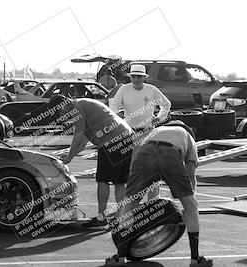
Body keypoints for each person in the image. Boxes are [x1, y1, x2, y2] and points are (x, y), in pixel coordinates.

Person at [105, 120, 213, 267]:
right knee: (191, 205)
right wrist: (188, 207)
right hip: (170, 152)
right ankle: (196, 260)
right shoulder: (188, 137)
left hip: (144, 151)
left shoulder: (156, 132)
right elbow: (191, 174)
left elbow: (137, 158)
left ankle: (120, 257)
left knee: (130, 203)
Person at [48, 95, 133, 228]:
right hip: (126, 136)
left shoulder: (76, 108)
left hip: (112, 140)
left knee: (103, 179)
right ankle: (120, 218)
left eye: (59, 112)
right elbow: (83, 141)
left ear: (63, 105)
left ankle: (102, 218)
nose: (62, 115)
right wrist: (70, 157)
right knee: (119, 181)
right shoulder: (82, 105)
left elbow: (78, 136)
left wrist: (69, 158)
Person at [109, 64, 171, 200]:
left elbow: (166, 105)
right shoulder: (124, 89)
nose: (136, 79)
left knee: (152, 167)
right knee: (132, 168)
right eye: (133, 76)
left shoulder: (152, 90)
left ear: (144, 78)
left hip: (148, 133)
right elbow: (113, 106)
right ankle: (131, 202)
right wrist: (118, 120)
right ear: (130, 77)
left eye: (139, 76)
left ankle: (153, 202)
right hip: (130, 134)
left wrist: (159, 118)